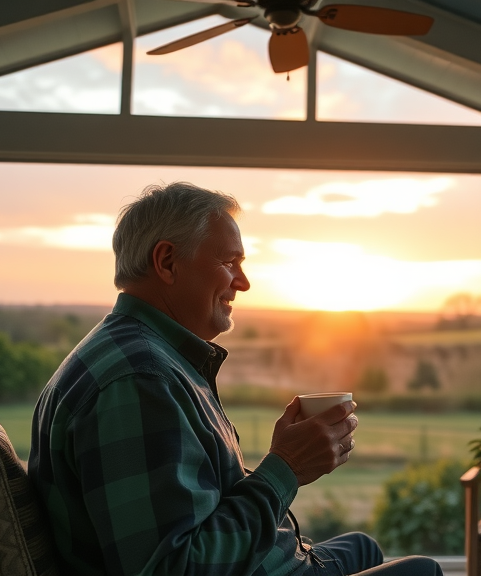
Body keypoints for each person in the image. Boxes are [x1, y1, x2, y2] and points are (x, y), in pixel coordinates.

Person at [29, 182, 443, 576]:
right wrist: (286, 468)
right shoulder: (139, 381)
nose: (243, 283)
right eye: (229, 263)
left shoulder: (147, 357)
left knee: (364, 548)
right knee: (424, 570)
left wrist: (281, 462)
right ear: (167, 262)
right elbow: (174, 569)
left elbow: (196, 510)